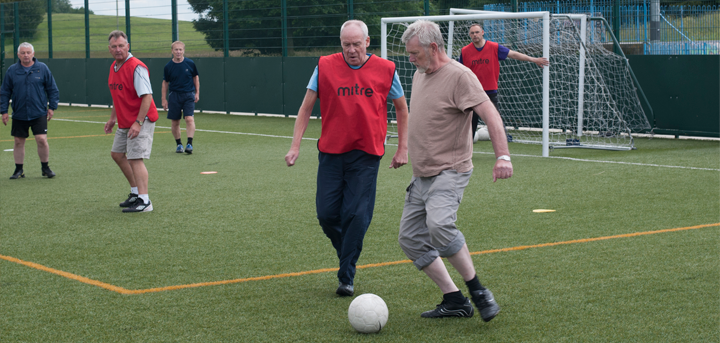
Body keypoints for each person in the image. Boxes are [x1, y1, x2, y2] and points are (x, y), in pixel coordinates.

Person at [285, 20, 409, 297]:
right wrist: (295, 147)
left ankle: (346, 274)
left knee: (355, 213)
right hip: (330, 153)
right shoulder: (324, 66)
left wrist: (403, 148)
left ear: (367, 42)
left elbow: (402, 108)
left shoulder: (386, 69)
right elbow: (305, 109)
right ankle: (348, 253)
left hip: (366, 154)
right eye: (346, 44)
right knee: (327, 215)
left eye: (356, 44)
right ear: (340, 44)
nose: (351, 50)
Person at [399, 20, 513, 321]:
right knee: (410, 238)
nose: (410, 59)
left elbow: (490, 113)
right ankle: (454, 299)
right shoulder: (420, 74)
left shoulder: (461, 76)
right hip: (421, 174)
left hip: (450, 170)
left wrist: (503, 156)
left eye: (414, 53)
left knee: (438, 225)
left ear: (433, 47)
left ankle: (478, 291)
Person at [459, 23, 549, 139]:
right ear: (469, 35)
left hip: (490, 91)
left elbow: (514, 54)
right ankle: (465, 151)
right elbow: (460, 70)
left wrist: (533, 59)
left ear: (482, 32)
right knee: (470, 123)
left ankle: (503, 147)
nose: (475, 35)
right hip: (472, 92)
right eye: (472, 33)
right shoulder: (465, 51)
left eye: (477, 32)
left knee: (495, 120)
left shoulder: (494, 47)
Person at [104, 30, 159, 213]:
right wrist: (113, 119)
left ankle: (145, 201)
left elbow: (147, 96)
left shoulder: (136, 66)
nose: (118, 49)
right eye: (114, 46)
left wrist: (138, 122)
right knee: (117, 154)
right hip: (125, 120)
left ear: (128, 46)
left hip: (141, 119)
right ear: (110, 49)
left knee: (135, 158)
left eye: (121, 46)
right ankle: (136, 193)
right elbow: (117, 96)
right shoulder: (114, 67)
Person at [1, 42, 59, 179]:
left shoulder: (42, 68)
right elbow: (4, 92)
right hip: (19, 113)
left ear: (33, 54)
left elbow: (52, 89)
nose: (26, 55)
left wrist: (52, 107)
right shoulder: (12, 70)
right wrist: (3, 111)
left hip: (39, 112)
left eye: (28, 52)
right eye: (23, 53)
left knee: (41, 139)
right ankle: (18, 170)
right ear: (18, 55)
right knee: (18, 141)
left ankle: (45, 168)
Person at [162, 41, 199, 154]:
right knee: (175, 122)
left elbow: (196, 78)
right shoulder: (168, 66)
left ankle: (189, 144)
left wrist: (197, 92)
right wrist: (164, 99)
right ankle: (179, 145)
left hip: (188, 94)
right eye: (176, 50)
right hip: (174, 96)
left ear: (184, 50)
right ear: (172, 51)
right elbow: (165, 83)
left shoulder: (190, 63)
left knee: (189, 118)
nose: (178, 52)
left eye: (180, 49)